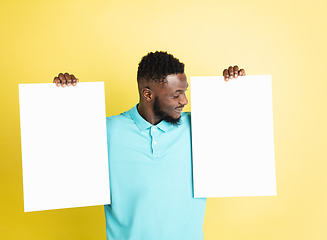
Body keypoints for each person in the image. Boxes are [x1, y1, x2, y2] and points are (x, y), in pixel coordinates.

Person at [53, 51, 245, 240]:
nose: (184, 100)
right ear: (148, 94)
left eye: (184, 91)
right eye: (176, 94)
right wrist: (63, 97)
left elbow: (242, 136)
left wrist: (235, 90)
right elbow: (60, 154)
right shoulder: (106, 130)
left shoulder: (200, 127)